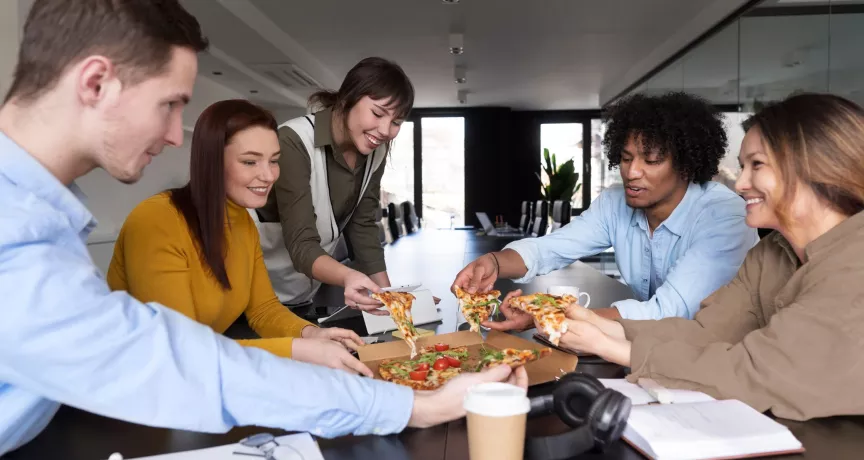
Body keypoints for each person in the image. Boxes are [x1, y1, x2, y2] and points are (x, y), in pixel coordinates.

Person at [0, 1, 525, 455]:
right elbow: (179, 361)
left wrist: (315, 341)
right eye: (170, 105)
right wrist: (412, 406)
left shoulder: (41, 215)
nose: (175, 137)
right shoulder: (18, 233)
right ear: (95, 82)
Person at [555, 93, 864, 421]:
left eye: (756, 165)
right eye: (743, 167)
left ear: (815, 167)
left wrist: (617, 349)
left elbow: (760, 374)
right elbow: (708, 331)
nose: (741, 183)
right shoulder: (770, 254)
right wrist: (605, 328)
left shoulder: (854, 261)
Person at [106, 99, 369, 375]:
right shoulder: (156, 220)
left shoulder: (242, 221)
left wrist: (310, 334)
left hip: (194, 378)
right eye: (249, 161)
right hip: (132, 386)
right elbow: (181, 348)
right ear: (212, 161)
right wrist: (298, 350)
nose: (268, 175)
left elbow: (263, 309)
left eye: (275, 161)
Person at [453, 92, 758, 326]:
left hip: (722, 358)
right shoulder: (615, 203)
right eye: (626, 158)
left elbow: (669, 311)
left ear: (688, 165)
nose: (633, 172)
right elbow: (550, 248)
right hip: (656, 349)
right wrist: (493, 262)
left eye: (651, 161)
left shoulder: (725, 216)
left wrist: (547, 316)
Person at [254, 57, 412, 314]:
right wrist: (349, 277)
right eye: (377, 113)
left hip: (302, 295)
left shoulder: (375, 152)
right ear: (348, 98)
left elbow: (361, 226)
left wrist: (391, 301)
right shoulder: (293, 141)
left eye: (396, 122)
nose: (385, 130)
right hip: (256, 296)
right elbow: (301, 243)